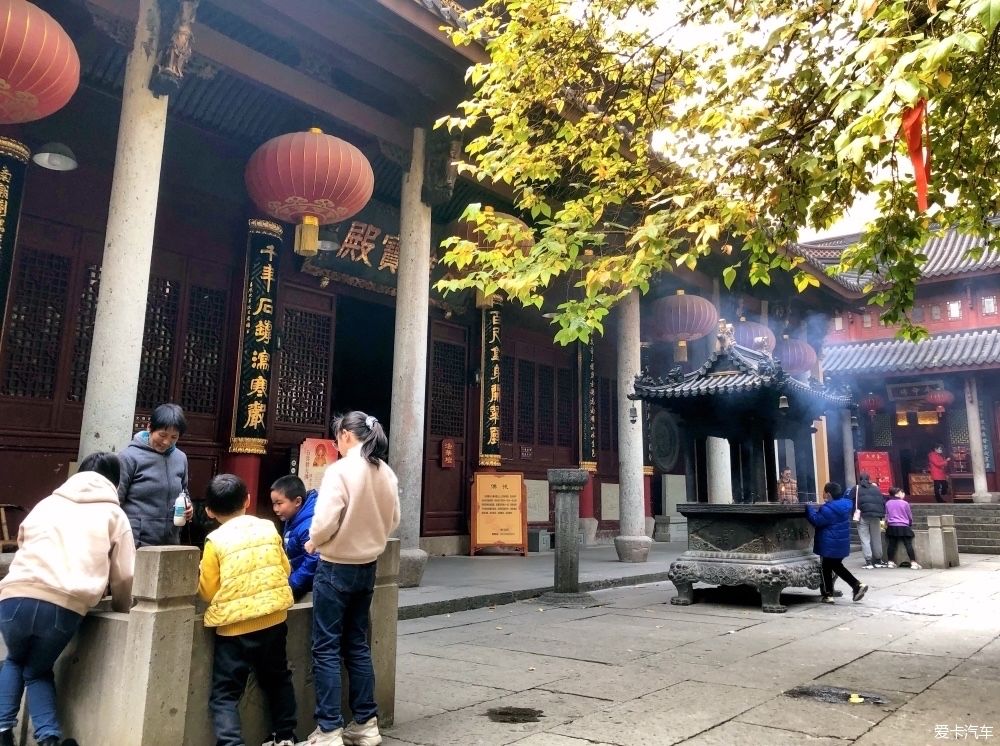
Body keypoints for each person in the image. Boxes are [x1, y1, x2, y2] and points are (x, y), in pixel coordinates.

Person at [0, 452, 135, 746]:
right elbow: (125, 574)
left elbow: (23, 540)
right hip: (61, 605)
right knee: (36, 670)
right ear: (115, 481)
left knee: (14, 661)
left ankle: (2, 732)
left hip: (12, 597)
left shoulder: (46, 504)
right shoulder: (114, 515)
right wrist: (122, 606)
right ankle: (49, 738)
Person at [305, 412, 401, 746]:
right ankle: (366, 723)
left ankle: (329, 728)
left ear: (346, 435)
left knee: (327, 648)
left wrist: (316, 540)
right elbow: (394, 520)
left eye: (337, 437)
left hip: (335, 566)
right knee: (357, 644)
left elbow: (324, 520)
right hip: (367, 567)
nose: (335, 443)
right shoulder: (385, 472)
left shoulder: (341, 470)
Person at [198, 474, 297, 746]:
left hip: (234, 627)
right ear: (247, 500)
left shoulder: (215, 541)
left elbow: (207, 590)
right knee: (278, 678)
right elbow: (285, 568)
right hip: (274, 618)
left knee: (226, 693)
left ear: (208, 510)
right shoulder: (268, 528)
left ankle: (231, 743)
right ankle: (285, 735)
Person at [118, 402, 194, 547]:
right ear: (149, 428)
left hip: (170, 540)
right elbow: (117, 500)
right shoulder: (129, 457)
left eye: (174, 437)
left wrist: (188, 506)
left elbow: (184, 492)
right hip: (135, 541)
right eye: (162, 435)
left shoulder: (181, 458)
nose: (166, 442)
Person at [806, 481, 869, 604]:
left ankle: (831, 593)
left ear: (829, 494)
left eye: (825, 493)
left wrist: (809, 508)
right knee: (835, 566)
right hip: (841, 543)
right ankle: (854, 586)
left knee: (827, 567)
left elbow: (817, 521)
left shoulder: (827, 509)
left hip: (828, 543)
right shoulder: (846, 505)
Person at [270, 475, 320, 601]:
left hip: (309, 586)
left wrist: (292, 585)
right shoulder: (293, 517)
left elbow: (313, 560)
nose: (275, 509)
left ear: (297, 502)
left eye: (279, 503)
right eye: (274, 504)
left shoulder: (307, 527)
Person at [884, 487, 922, 570]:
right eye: (902, 492)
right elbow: (909, 516)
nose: (903, 494)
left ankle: (890, 562)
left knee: (891, 544)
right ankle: (913, 563)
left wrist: (887, 523)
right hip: (903, 525)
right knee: (908, 544)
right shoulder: (904, 503)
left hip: (892, 526)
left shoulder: (888, 503)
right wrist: (910, 523)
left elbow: (886, 515)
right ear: (897, 493)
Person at [855, 472, 887, 569]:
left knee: (865, 538)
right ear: (869, 479)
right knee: (876, 538)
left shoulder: (856, 488)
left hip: (863, 515)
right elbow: (881, 501)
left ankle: (868, 561)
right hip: (876, 516)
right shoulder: (876, 488)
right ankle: (878, 560)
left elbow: (850, 499)